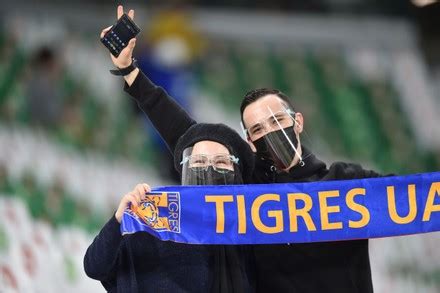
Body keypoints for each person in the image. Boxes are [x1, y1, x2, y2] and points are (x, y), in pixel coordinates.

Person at [102, 5, 383, 292]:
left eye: (276, 120)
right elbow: (184, 132)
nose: (270, 132)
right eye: (258, 129)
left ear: (297, 121)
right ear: (249, 141)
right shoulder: (249, 183)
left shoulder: (346, 182)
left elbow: (419, 200)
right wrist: (129, 71)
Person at [83, 123, 255, 292]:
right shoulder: (153, 221)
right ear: (186, 170)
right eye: (199, 162)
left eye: (221, 162)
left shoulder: (252, 233)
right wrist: (119, 220)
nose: (209, 169)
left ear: (236, 171)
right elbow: (95, 267)